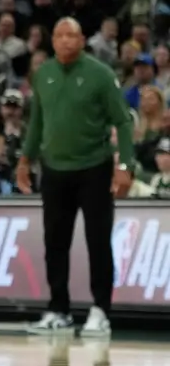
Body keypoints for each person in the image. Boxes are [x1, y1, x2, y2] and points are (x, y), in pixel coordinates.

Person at [17, 18, 135, 336]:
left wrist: (126, 165)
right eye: (60, 35)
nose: (67, 40)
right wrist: (25, 159)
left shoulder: (100, 74)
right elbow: (36, 123)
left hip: (94, 168)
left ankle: (100, 310)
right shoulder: (43, 74)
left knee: (98, 241)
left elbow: (123, 122)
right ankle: (59, 310)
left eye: (73, 35)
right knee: (55, 243)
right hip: (54, 170)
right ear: (52, 41)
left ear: (83, 39)